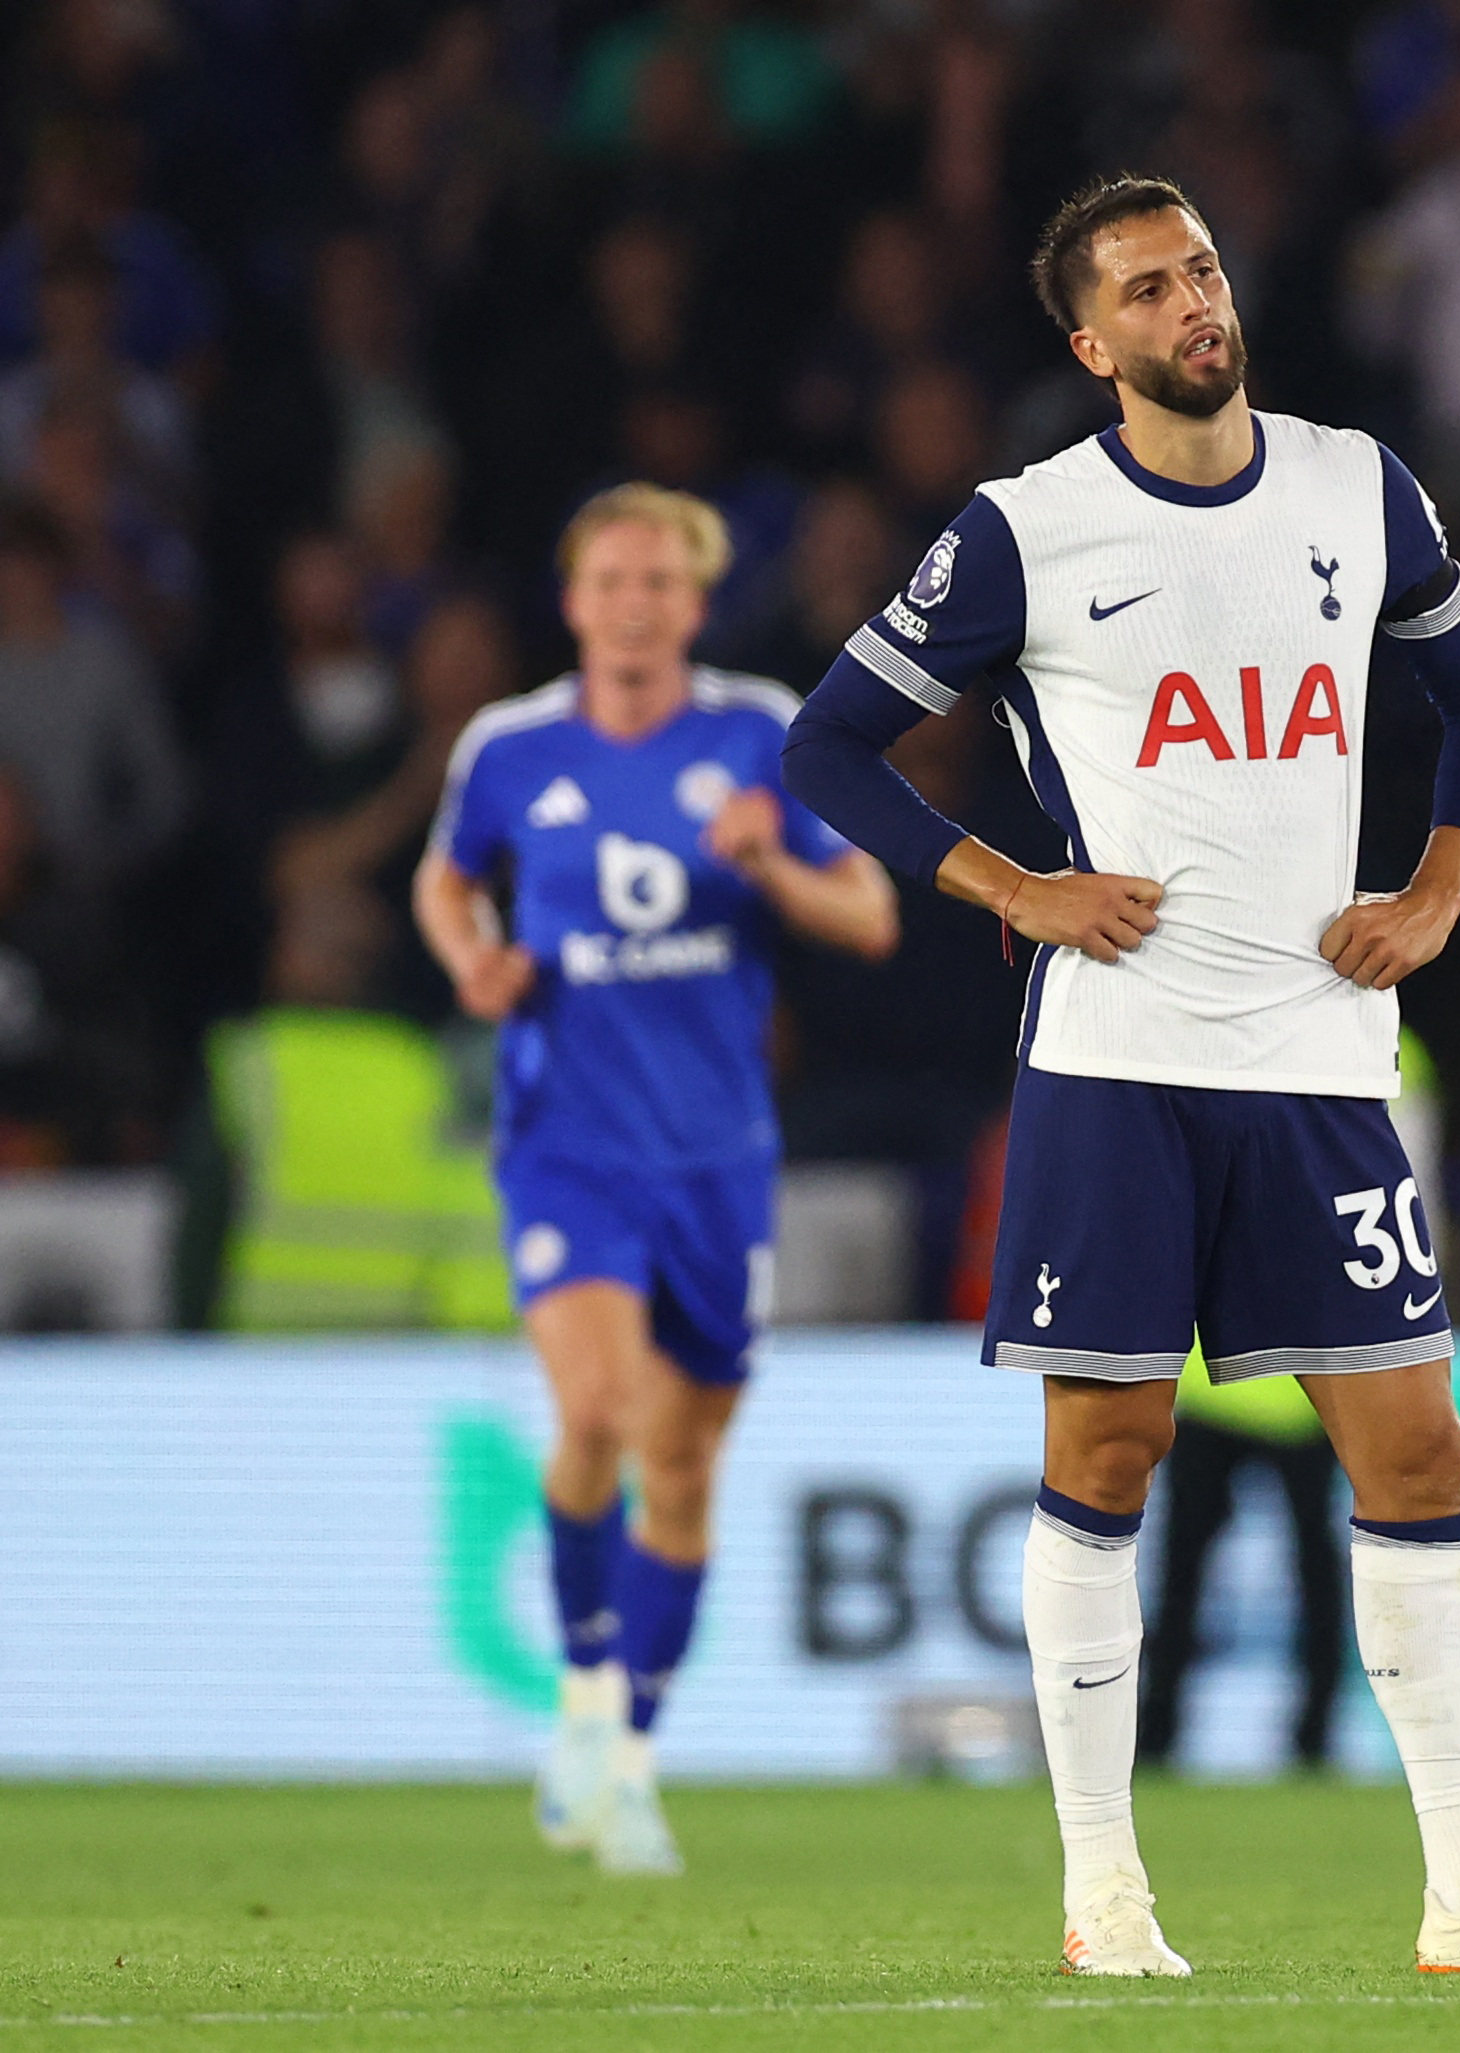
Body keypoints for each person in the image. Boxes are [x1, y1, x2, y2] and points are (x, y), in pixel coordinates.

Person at [783, 174, 1460, 1977]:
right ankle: (1104, 1893)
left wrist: (1436, 887)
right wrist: (1011, 883)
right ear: (1089, 342)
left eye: (1198, 269)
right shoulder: (1021, 531)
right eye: (1146, 288)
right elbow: (828, 743)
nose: (1191, 303)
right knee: (1104, 1446)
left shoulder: (1358, 484)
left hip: (1317, 1052)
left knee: (1416, 1440)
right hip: (1116, 1056)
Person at [414, 485, 897, 1874]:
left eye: (661, 584)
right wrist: (472, 960)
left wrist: (771, 868)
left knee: (682, 1466)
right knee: (603, 1410)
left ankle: (628, 1757)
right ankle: (576, 1695)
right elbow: (450, 884)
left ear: (695, 605)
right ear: (573, 602)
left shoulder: (758, 735)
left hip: (718, 1157)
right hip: (568, 1143)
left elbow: (867, 911)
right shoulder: (508, 749)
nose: (635, 603)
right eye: (611, 580)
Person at [1136, 1342, 1345, 1775]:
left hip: (1220, 1389)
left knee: (1182, 1576)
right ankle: (1314, 1741)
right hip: (1301, 1397)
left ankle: (1157, 1737)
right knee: (1315, 1576)